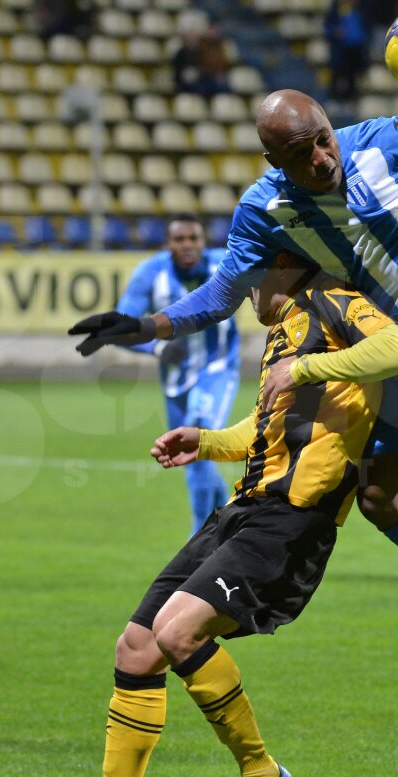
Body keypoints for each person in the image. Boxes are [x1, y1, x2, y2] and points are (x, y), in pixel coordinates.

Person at [71, 90, 398, 734]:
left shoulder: (384, 141)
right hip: (396, 345)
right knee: (381, 498)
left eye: (325, 139)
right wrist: (145, 325)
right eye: (303, 154)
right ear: (275, 158)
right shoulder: (266, 207)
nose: (324, 158)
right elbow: (224, 293)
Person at [90, 252, 398, 777]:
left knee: (176, 632)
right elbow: (267, 427)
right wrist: (208, 441)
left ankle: (263, 776)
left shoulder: (335, 303)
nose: (244, 293)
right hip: (244, 511)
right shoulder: (284, 332)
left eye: (250, 280)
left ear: (285, 265)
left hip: (293, 521)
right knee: (136, 648)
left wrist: (309, 367)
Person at [115, 215, 240, 536]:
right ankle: (223, 523)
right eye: (180, 239)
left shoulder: (225, 265)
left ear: (204, 241)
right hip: (174, 378)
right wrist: (156, 350)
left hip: (217, 369)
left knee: (197, 434)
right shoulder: (151, 273)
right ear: (168, 244)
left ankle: (198, 540)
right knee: (192, 455)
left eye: (194, 238)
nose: (187, 245)